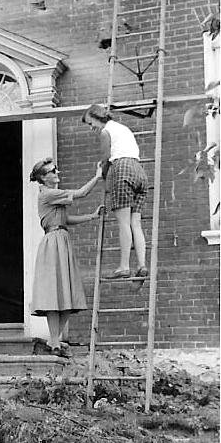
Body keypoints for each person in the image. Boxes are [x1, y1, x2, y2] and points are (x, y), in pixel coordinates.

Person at [29, 157, 103, 356]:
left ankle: (54, 342)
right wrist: (97, 176)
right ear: (43, 178)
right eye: (52, 171)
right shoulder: (48, 194)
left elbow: (65, 219)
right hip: (53, 242)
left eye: (56, 170)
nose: (56, 174)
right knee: (54, 293)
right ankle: (54, 342)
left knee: (66, 293)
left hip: (62, 240)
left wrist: (91, 216)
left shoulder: (53, 195)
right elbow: (81, 193)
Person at [82, 104, 149, 279]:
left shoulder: (106, 132)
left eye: (91, 123)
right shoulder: (123, 128)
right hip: (139, 170)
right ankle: (142, 264)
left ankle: (124, 266)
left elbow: (105, 159)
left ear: (98, 117)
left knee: (123, 223)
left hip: (122, 169)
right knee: (136, 223)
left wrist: (103, 175)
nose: (92, 128)